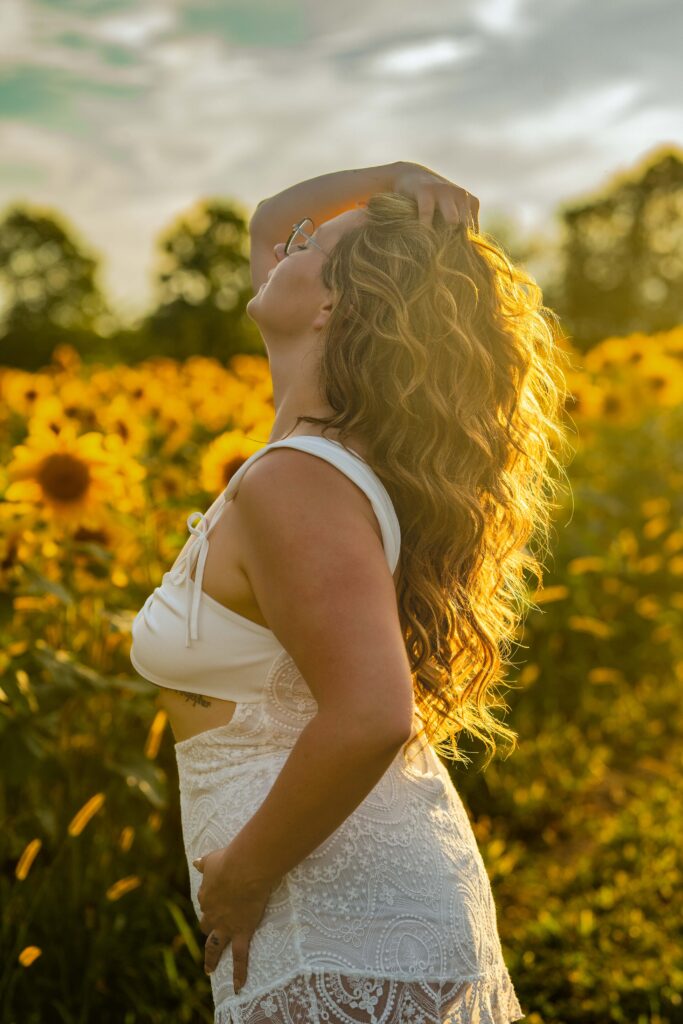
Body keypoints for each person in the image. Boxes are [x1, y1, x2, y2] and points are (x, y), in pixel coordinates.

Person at [131, 159, 569, 1022]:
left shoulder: (296, 480)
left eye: (310, 248)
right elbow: (268, 220)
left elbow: (372, 713)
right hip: (335, 901)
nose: (281, 247)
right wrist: (399, 176)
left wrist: (244, 877)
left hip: (327, 912)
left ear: (330, 306)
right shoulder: (314, 449)